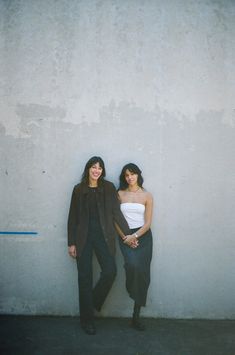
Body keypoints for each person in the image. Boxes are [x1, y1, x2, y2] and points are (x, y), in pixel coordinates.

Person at [67, 156, 130, 335]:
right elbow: (73, 218)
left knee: (110, 271)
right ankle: (87, 321)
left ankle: (93, 300)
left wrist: (128, 234)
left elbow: (116, 213)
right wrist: (71, 243)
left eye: (100, 168)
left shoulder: (108, 188)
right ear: (88, 169)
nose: (97, 170)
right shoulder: (78, 190)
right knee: (84, 278)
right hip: (83, 239)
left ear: (102, 171)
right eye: (94, 167)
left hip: (104, 237)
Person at [117, 163, 153, 331]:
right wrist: (126, 237)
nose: (130, 177)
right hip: (124, 235)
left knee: (142, 272)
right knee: (132, 265)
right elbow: (114, 219)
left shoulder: (147, 195)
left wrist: (135, 236)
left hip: (143, 237)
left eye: (132, 174)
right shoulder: (119, 194)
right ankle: (131, 289)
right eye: (126, 175)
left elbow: (148, 223)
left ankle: (136, 316)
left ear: (138, 175)